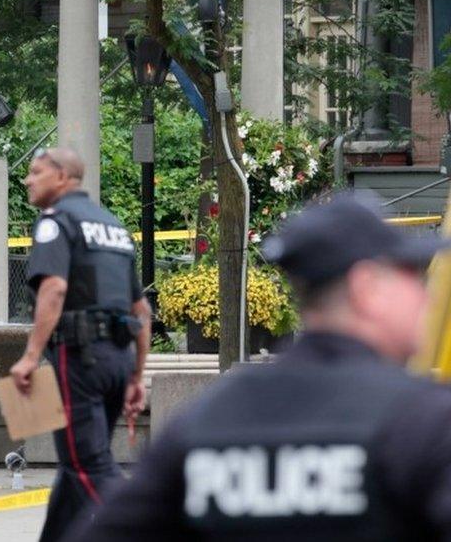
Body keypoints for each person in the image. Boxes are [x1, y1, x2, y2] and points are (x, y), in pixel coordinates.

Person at [66, 193, 451, 542]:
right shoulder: (424, 420)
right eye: (412, 275)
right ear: (368, 288)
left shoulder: (210, 418)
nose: (427, 295)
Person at [9, 147, 152, 542]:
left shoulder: (57, 221)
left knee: (87, 466)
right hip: (116, 361)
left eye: (36, 172)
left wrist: (30, 357)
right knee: (76, 468)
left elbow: (54, 289)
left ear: (62, 177)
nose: (28, 180)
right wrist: (136, 375)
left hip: (79, 359)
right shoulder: (115, 228)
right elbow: (142, 310)